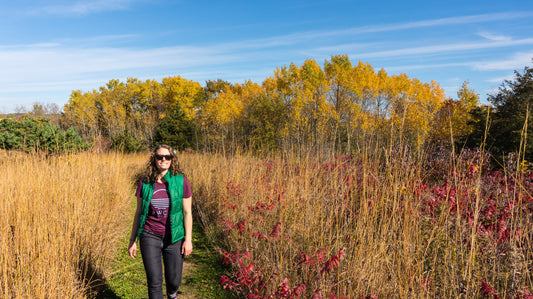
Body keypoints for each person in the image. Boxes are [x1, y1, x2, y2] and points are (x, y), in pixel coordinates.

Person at [128, 144, 193, 299]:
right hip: (150, 235)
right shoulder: (144, 183)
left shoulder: (181, 181)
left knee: (173, 280)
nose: (163, 160)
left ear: (172, 160)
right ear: (154, 159)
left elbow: (187, 212)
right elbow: (138, 213)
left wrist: (188, 240)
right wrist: (133, 240)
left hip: (174, 237)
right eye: (159, 157)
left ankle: (172, 294)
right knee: (154, 282)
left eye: (167, 157)